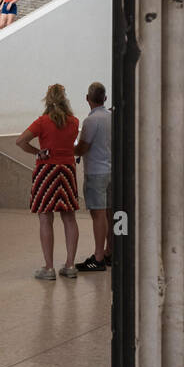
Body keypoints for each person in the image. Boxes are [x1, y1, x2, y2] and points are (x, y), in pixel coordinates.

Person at [15, 84, 81, 280]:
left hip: (46, 171)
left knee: (46, 218)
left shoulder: (42, 122)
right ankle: (70, 265)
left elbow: (20, 141)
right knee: (69, 218)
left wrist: (38, 152)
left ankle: (49, 267)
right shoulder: (74, 122)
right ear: (65, 99)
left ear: (47, 100)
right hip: (67, 171)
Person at [74, 82, 112, 272]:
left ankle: (98, 258)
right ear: (105, 98)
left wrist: (68, 149)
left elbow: (83, 148)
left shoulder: (90, 121)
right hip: (111, 172)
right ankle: (110, 252)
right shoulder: (111, 117)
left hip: (96, 172)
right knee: (109, 213)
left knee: (98, 214)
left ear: (87, 98)